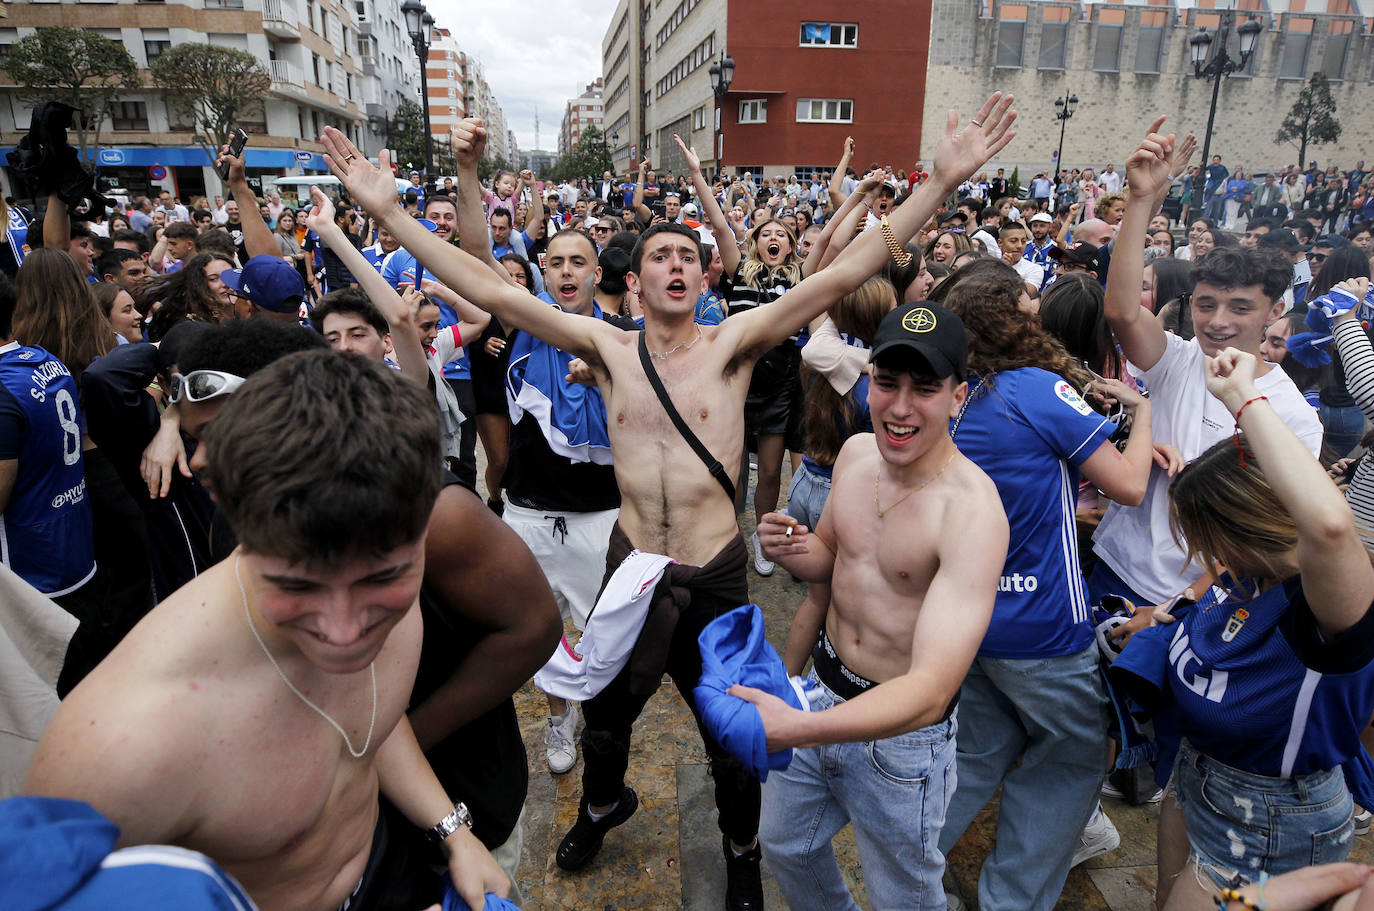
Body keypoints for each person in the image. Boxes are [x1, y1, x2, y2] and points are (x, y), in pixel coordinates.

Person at [322, 90, 1018, 911]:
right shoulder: (604, 347)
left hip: (714, 574)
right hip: (631, 568)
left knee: (732, 737)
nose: (677, 265)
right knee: (607, 720)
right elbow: (490, 287)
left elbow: (847, 269)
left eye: (689, 254)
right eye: (660, 255)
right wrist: (385, 212)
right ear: (636, 277)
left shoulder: (733, 345)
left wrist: (936, 185)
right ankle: (603, 802)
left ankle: (744, 852)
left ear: (706, 273)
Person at [25, 348, 511, 911]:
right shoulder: (121, 747)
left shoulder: (391, 606)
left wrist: (454, 832)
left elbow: (367, 725)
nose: (346, 631)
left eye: (383, 577)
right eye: (298, 586)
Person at [1088, 119, 1325, 907]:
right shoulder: (1182, 359)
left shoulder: (1291, 417)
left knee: (1170, 763)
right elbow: (1123, 312)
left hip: (1188, 607)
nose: (1219, 321)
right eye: (1208, 303)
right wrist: (1141, 202)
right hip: (1115, 567)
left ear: (1274, 315)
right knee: (1089, 727)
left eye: (1240, 308)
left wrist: (1177, 610)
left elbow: (1263, 546)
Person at [744, 300, 1008, 911]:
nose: (901, 407)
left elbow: (931, 691)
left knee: (904, 895)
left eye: (925, 389)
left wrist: (800, 725)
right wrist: (792, 546)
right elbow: (834, 563)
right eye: (888, 383)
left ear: (958, 397)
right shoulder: (860, 456)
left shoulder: (971, 512)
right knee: (785, 846)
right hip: (824, 688)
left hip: (902, 744)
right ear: (868, 382)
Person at [926, 259, 1156, 911]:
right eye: (1028, 298)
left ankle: (909, 868)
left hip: (974, 618)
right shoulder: (1032, 387)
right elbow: (1131, 485)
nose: (1040, 305)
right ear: (1005, 315)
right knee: (1074, 759)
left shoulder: (961, 392)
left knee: (977, 751)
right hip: (1045, 625)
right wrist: (1145, 411)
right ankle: (1012, 897)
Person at [1112, 345, 1374, 908]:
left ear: (1244, 525)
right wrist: (1158, 621)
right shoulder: (1245, 574)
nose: (1199, 550)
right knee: (1167, 898)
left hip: (1271, 821)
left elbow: (1329, 526)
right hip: (1202, 778)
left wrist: (1242, 398)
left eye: (1202, 532)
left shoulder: (1323, 602)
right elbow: (1200, 609)